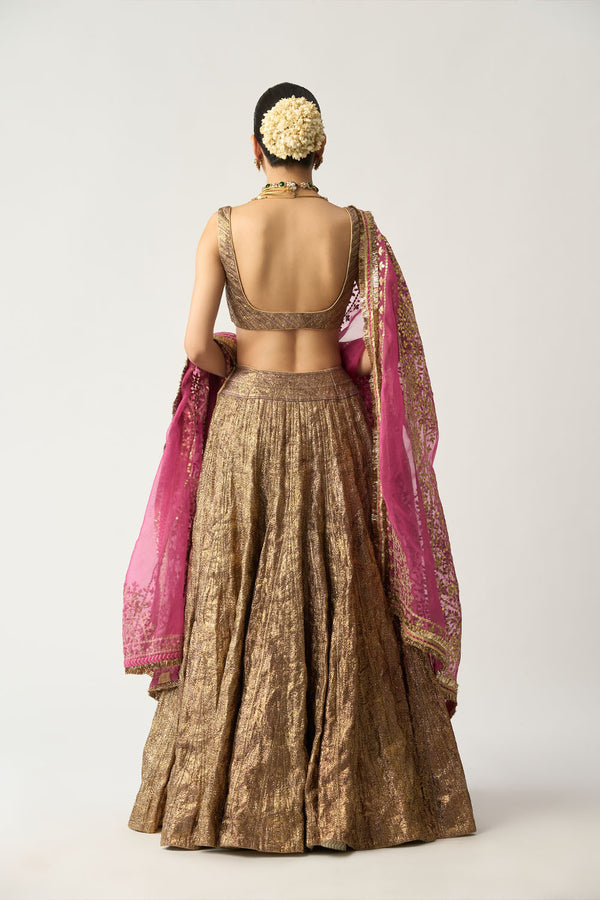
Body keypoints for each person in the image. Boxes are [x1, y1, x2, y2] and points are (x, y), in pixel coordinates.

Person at [123, 82, 477, 854]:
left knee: (237, 587)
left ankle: (224, 799)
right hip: (331, 420)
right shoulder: (357, 230)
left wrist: (235, 361)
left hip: (246, 422)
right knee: (344, 583)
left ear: (256, 149)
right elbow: (387, 352)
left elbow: (195, 344)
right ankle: (355, 796)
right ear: (320, 149)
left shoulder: (224, 226)